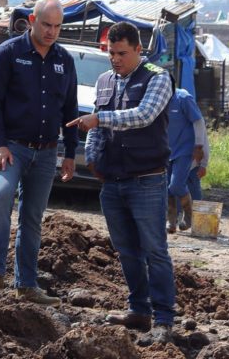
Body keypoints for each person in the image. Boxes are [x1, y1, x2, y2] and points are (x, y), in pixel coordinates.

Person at [68, 21, 175, 340]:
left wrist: (99, 119)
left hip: (146, 180)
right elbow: (94, 130)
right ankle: (139, 311)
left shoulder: (158, 78)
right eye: (111, 52)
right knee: (126, 250)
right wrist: (94, 158)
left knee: (154, 250)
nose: (115, 59)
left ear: (139, 50)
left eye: (122, 53)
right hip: (112, 181)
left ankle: (164, 318)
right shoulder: (103, 81)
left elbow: (143, 115)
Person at [0, 0, 78, 306]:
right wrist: (0, 143)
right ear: (32, 21)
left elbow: (70, 109)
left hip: (46, 152)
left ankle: (27, 285)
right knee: (1, 196)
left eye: (57, 26)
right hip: (11, 149)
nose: (51, 31)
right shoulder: (8, 53)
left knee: (32, 217)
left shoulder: (64, 61)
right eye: (46, 24)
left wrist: (70, 153)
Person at [166, 88, 209, 233]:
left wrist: (199, 147)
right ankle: (171, 220)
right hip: (166, 150)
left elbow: (199, 122)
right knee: (166, 187)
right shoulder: (157, 100)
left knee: (176, 185)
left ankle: (189, 214)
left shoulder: (183, 98)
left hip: (185, 150)